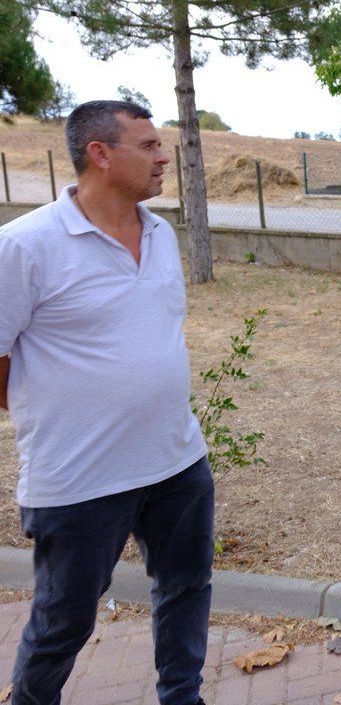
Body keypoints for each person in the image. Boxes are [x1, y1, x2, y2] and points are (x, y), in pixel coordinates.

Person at [0, 101, 214, 704]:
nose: (162, 156)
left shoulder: (162, 233)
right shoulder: (24, 246)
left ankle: (182, 697)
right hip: (79, 478)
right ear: (100, 153)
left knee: (186, 588)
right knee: (65, 618)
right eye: (147, 145)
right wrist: (58, 411)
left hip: (176, 461)